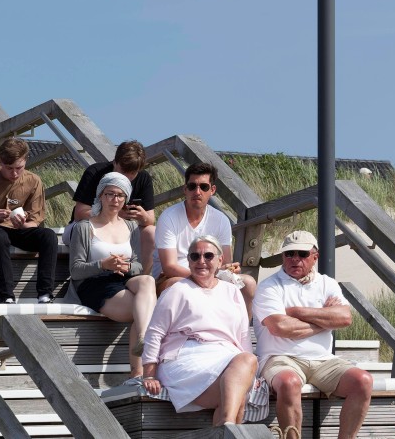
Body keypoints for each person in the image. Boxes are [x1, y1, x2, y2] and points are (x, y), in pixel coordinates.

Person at [254, 230, 372, 439]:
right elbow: (280, 327)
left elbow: (345, 318)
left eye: (302, 254)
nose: (295, 259)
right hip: (280, 358)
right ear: (283, 257)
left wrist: (297, 312)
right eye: (289, 254)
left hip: (323, 360)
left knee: (363, 381)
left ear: (315, 257)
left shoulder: (327, 283)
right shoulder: (269, 286)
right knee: (289, 383)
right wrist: (324, 321)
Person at [140, 235, 256, 424]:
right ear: (189, 261)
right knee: (239, 390)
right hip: (187, 357)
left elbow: (243, 334)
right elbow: (155, 332)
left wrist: (252, 372)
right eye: (195, 256)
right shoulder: (177, 290)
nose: (201, 261)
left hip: (227, 356)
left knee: (240, 385)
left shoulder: (232, 291)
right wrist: (149, 374)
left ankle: (225, 427)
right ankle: (229, 428)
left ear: (220, 261)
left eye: (208, 256)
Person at [68, 172, 157, 388]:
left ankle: (144, 338)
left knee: (147, 281)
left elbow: (137, 266)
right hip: (94, 283)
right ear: (100, 195)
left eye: (120, 195)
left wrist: (125, 266)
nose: (115, 200)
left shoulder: (131, 227)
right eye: (110, 194)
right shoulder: (84, 227)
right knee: (142, 308)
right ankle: (137, 373)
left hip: (122, 277)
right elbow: (75, 270)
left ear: (125, 199)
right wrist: (103, 264)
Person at [0, 137, 58, 304]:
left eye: (19, 168)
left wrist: (23, 224)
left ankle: (45, 293)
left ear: (26, 161)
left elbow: (34, 222)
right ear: (0, 162)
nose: (14, 173)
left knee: (49, 236)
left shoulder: (33, 181)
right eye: (9, 168)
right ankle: (6, 295)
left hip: (19, 230)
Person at [154, 161, 256, 306]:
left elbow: (225, 262)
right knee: (178, 285)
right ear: (185, 189)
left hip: (209, 274)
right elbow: (169, 267)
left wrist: (230, 269)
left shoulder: (221, 220)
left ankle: (241, 328)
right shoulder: (169, 216)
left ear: (212, 190)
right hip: (174, 277)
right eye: (192, 186)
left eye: (203, 186)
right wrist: (203, 277)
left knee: (249, 283)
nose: (197, 192)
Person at [68, 140, 156, 271]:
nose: (126, 177)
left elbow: (150, 219)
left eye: (132, 173)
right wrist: (114, 213)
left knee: (151, 232)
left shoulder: (144, 178)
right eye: (123, 171)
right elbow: (80, 213)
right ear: (114, 162)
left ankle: (141, 277)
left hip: (123, 230)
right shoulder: (94, 172)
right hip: (91, 225)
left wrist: (142, 216)